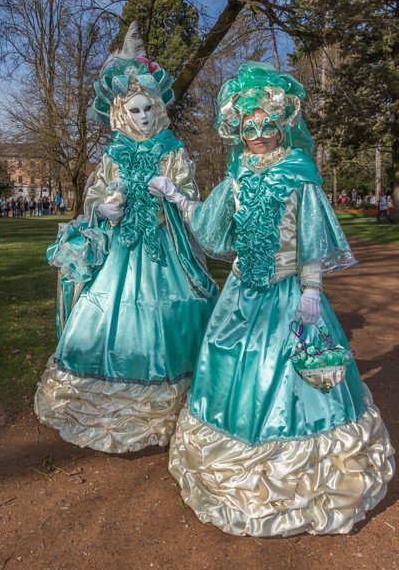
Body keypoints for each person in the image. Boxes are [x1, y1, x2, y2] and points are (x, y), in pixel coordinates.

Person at [149, 62, 394, 537]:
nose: (258, 134)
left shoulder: (300, 172)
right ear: (237, 129)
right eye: (248, 126)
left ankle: (302, 467)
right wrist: (178, 196)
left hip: (289, 292)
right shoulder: (237, 173)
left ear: (282, 124)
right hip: (242, 293)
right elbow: (212, 226)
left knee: (292, 371)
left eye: (267, 125)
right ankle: (234, 454)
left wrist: (312, 289)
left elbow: (310, 238)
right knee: (229, 361)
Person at [34, 23, 218, 454]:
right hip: (120, 253)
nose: (142, 117)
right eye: (134, 111)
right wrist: (102, 208)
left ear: (157, 108)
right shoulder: (113, 153)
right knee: (103, 314)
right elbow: (94, 196)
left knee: (176, 309)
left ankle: (174, 398)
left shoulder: (173, 150)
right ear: (121, 113)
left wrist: (171, 194)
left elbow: (191, 199)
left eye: (147, 109)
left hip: (166, 251)